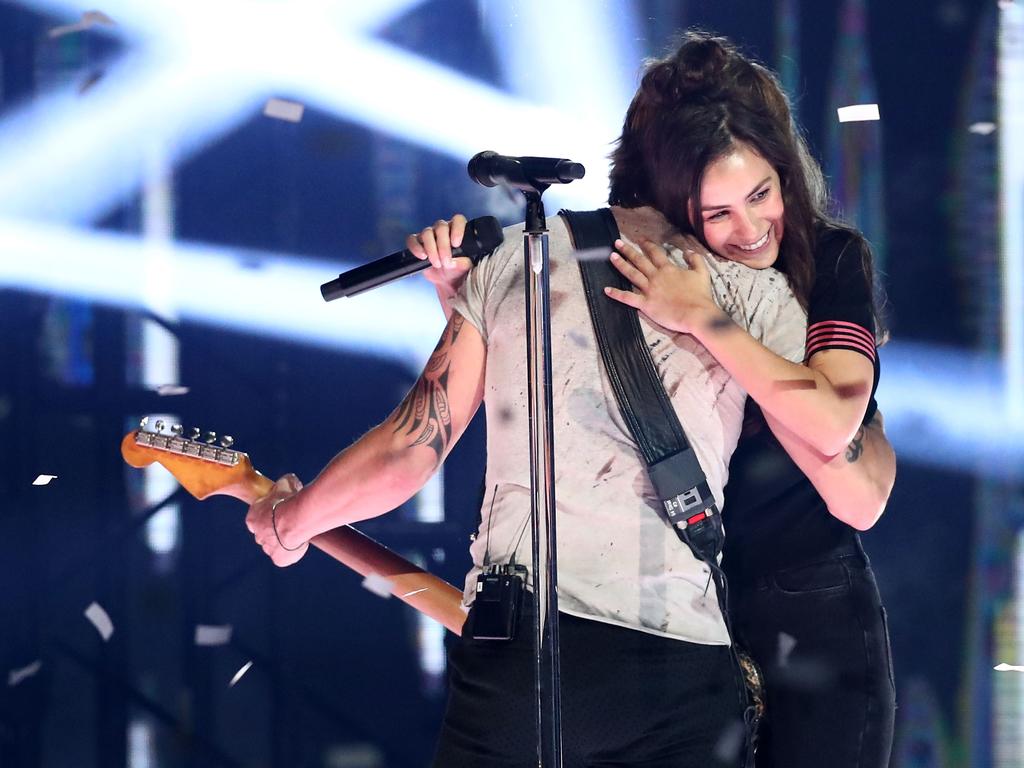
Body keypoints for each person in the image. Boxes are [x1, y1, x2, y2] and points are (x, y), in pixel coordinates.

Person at [415, 29, 897, 768]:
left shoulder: (830, 260)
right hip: (678, 609)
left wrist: (703, 317)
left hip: (807, 603)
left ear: (785, 172)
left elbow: (844, 442)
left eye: (762, 195)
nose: (748, 231)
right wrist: (466, 300)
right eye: (718, 212)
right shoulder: (647, 260)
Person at [247, 155, 808, 766]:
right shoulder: (760, 294)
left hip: (522, 657)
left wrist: (291, 520)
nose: (747, 224)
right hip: (681, 664)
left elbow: (408, 453)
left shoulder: (515, 261)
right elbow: (843, 468)